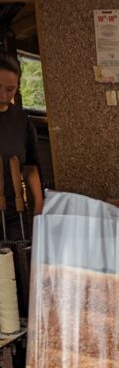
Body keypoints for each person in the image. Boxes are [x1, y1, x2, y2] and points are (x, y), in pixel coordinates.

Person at [0, 53, 43, 239]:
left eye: (10, 89)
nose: (3, 95)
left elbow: (30, 166)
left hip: (13, 212)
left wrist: (39, 204)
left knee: (18, 264)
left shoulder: (21, 120)